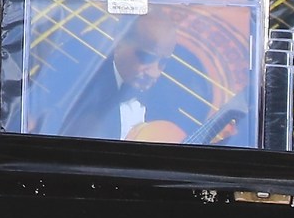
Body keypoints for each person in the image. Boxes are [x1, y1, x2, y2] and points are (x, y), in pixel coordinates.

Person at [48, 11, 198, 142]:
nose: (154, 72)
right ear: (119, 45)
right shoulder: (80, 90)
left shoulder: (169, 100)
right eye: (146, 57)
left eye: (163, 62)